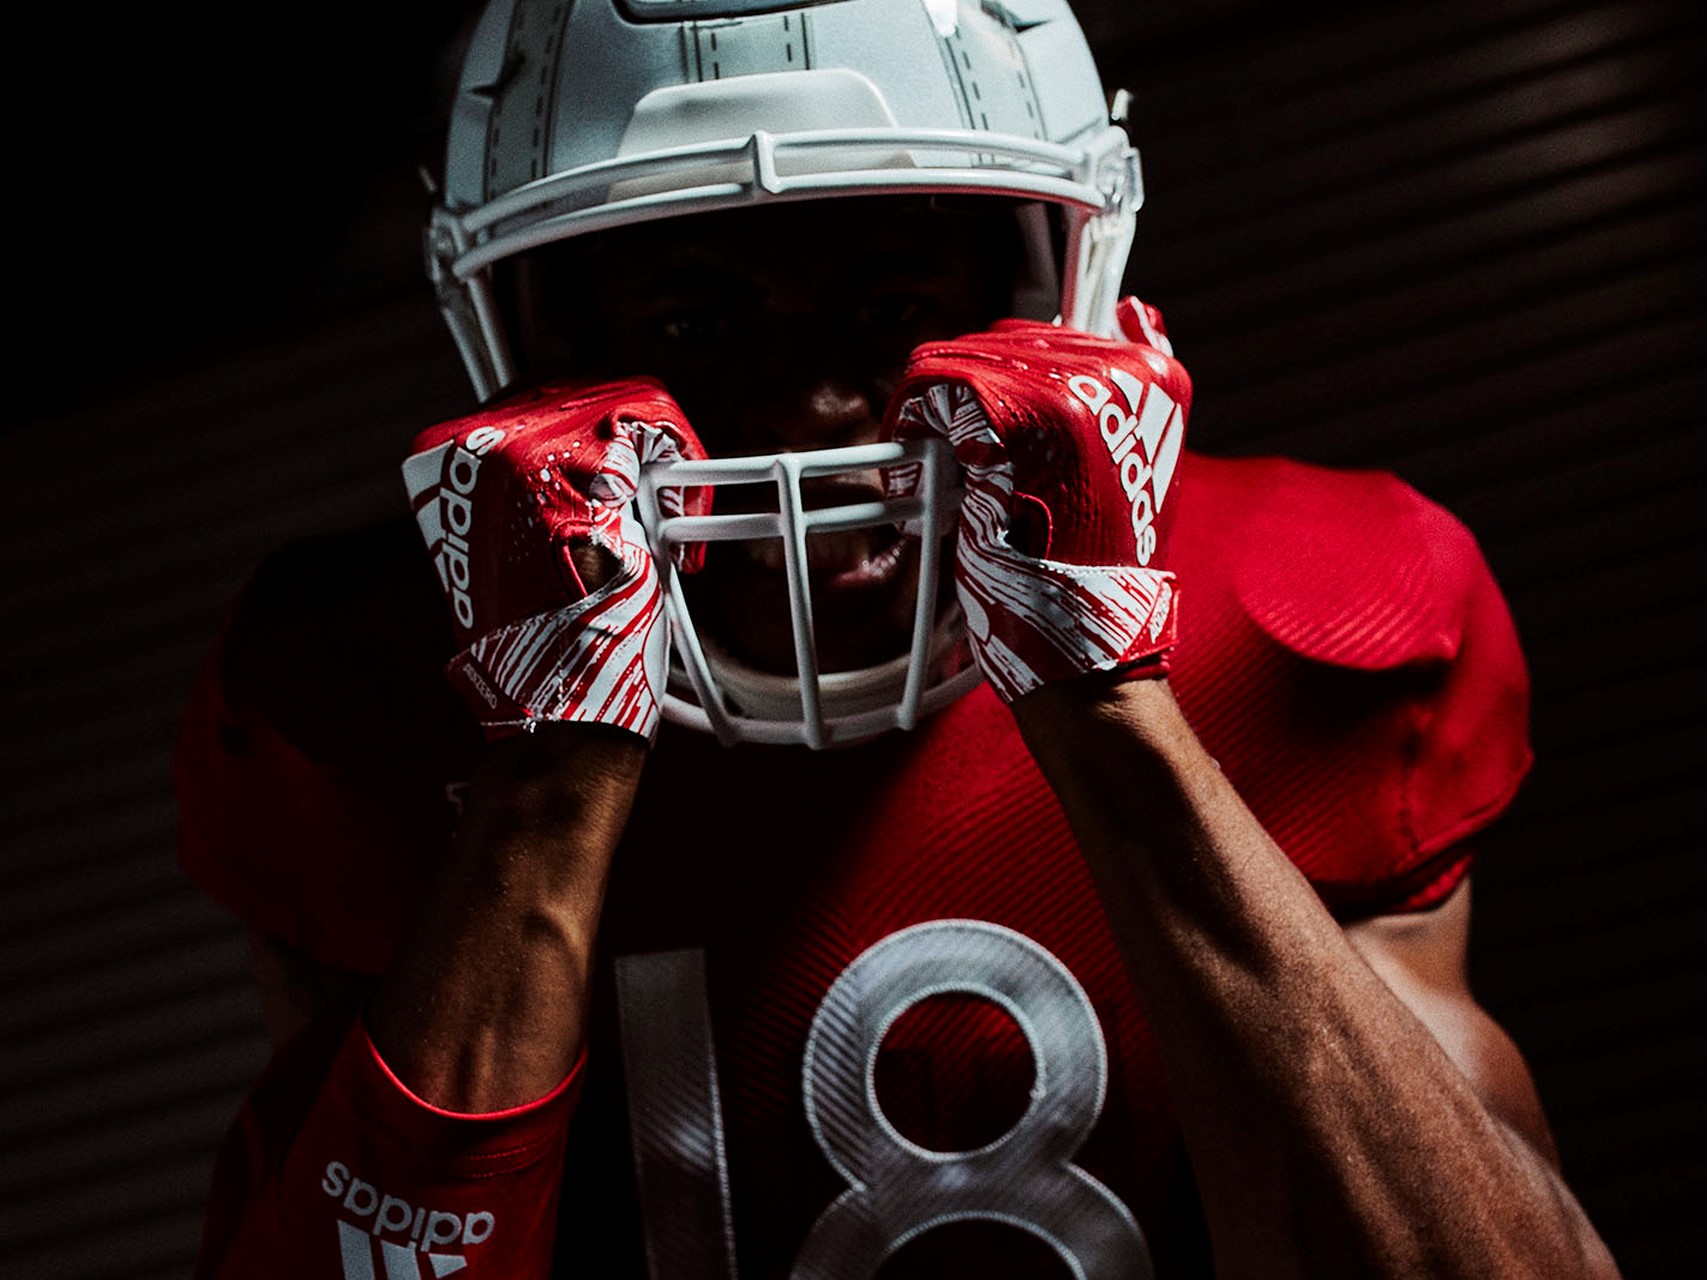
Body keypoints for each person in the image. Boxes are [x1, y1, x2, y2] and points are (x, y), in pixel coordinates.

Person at [174, 1, 1619, 1276]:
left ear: (1047, 298)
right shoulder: (351, 695)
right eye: (696, 316)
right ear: (546, 339)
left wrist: (1111, 701)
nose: (806, 408)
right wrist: (546, 774)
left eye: (889, 307)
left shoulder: (1305, 613)